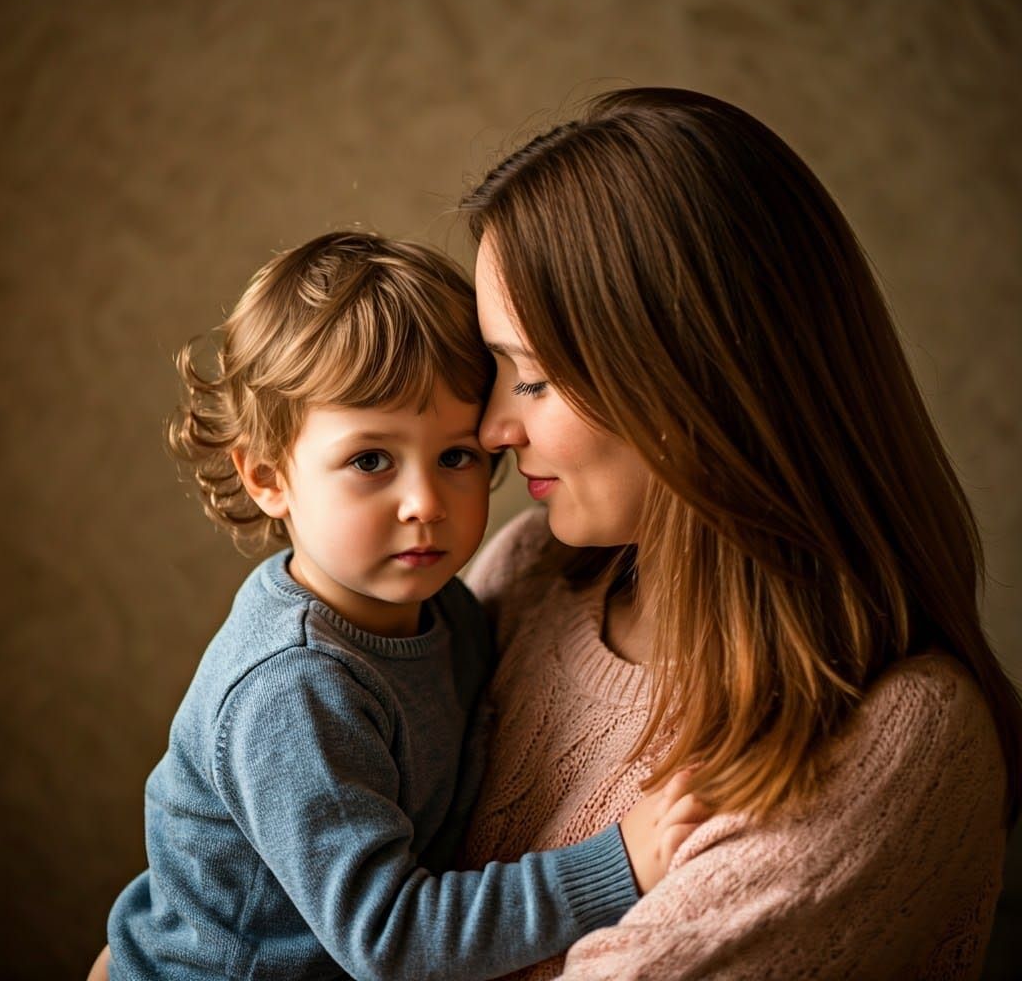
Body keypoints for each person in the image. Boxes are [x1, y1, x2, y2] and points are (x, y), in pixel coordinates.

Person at [457, 87, 1022, 979]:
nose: (492, 429)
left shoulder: (895, 737)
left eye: (531, 379)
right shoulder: (527, 576)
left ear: (685, 380)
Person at [94, 231, 705, 981]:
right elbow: (389, 938)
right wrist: (618, 864)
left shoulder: (455, 614)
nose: (424, 503)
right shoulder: (293, 687)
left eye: (456, 457)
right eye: (371, 460)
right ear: (268, 477)